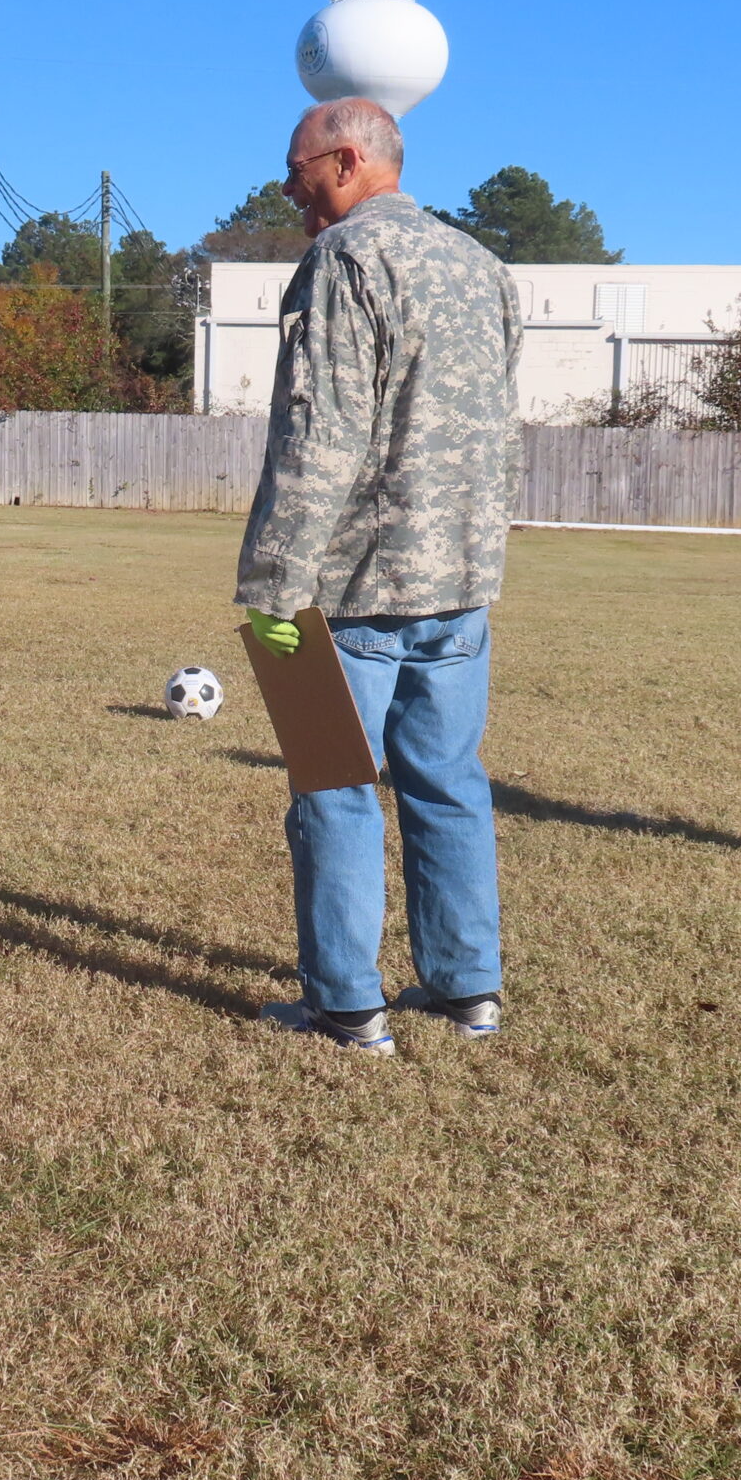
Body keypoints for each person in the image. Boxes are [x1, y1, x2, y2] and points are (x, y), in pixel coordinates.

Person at [238, 97, 525, 1051]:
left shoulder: (345, 262)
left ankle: (347, 1006)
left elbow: (320, 438)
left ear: (348, 160)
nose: (289, 189)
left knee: (332, 787)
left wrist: (275, 586)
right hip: (461, 584)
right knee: (448, 784)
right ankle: (466, 990)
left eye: (298, 170)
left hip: (355, 590)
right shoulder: (484, 269)